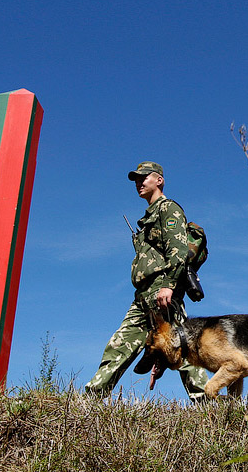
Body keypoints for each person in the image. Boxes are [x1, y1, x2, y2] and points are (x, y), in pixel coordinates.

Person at [84, 161, 208, 399]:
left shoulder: (168, 209)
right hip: (143, 295)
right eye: (136, 180)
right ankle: (92, 398)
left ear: (159, 180)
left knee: (180, 347)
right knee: (119, 345)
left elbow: (178, 250)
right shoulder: (147, 218)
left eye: (144, 177)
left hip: (162, 291)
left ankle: (207, 403)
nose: (139, 183)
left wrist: (168, 285)